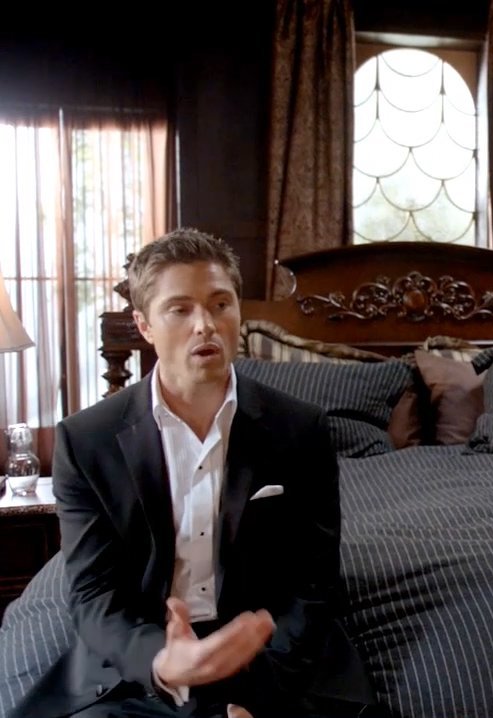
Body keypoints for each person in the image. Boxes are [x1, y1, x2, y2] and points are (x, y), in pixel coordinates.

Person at [14, 229, 379, 717]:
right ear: (144, 325)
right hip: (146, 666)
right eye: (180, 309)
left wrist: (252, 695)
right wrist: (164, 661)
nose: (205, 325)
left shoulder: (301, 428)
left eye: (220, 304)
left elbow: (314, 585)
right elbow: (94, 595)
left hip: (274, 660)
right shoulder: (86, 442)